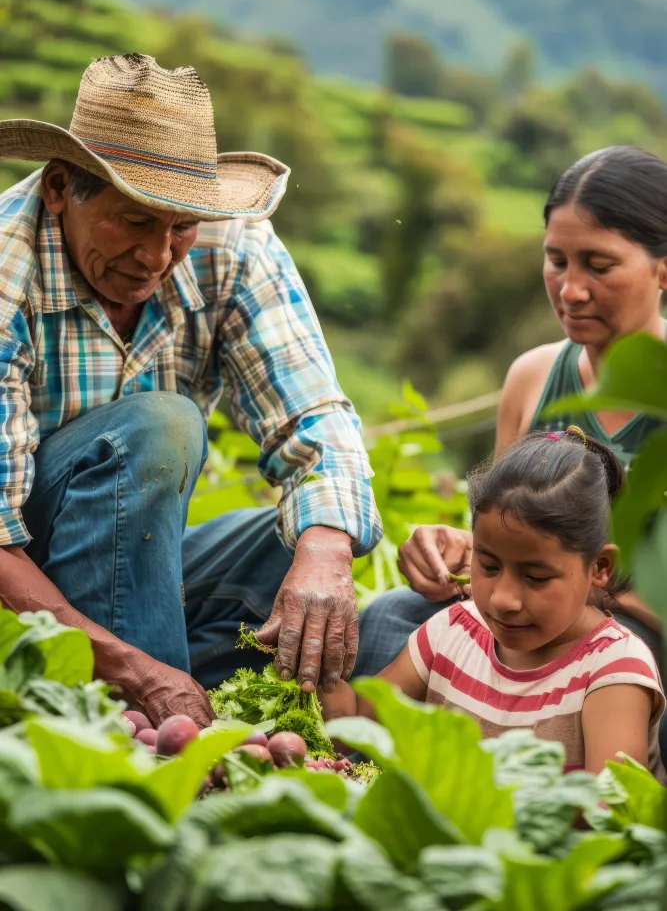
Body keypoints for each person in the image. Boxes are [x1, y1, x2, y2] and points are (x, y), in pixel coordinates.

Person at [0, 53, 382, 728]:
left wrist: (323, 549)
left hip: (130, 563)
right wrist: (131, 669)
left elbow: (313, 413)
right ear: (61, 188)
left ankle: (171, 697)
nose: (156, 256)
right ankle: (146, 728)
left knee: (298, 545)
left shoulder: (233, 247)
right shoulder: (6, 276)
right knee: (158, 428)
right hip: (16, 577)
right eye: (134, 221)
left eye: (179, 226)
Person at [355, 145, 667, 676]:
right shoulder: (533, 379)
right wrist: (464, 550)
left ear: (663, 271)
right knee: (390, 618)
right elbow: (515, 532)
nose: (570, 289)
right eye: (557, 260)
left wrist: (586, 593)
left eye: (600, 265)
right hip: (529, 617)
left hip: (636, 638)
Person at [325, 430, 665, 778]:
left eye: (535, 577)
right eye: (488, 567)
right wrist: (317, 664)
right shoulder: (455, 629)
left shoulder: (612, 672)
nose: (503, 600)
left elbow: (612, 813)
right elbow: (353, 725)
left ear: (600, 568)